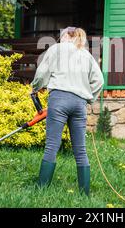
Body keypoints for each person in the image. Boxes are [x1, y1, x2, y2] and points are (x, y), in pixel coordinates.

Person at [30, 27, 104, 196]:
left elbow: (42, 73)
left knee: (51, 147)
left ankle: (40, 190)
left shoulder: (56, 49)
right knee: (80, 150)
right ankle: (84, 194)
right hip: (79, 105)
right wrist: (90, 98)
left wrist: (35, 88)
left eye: (61, 36)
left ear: (65, 36)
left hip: (59, 101)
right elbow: (99, 80)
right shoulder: (86, 55)